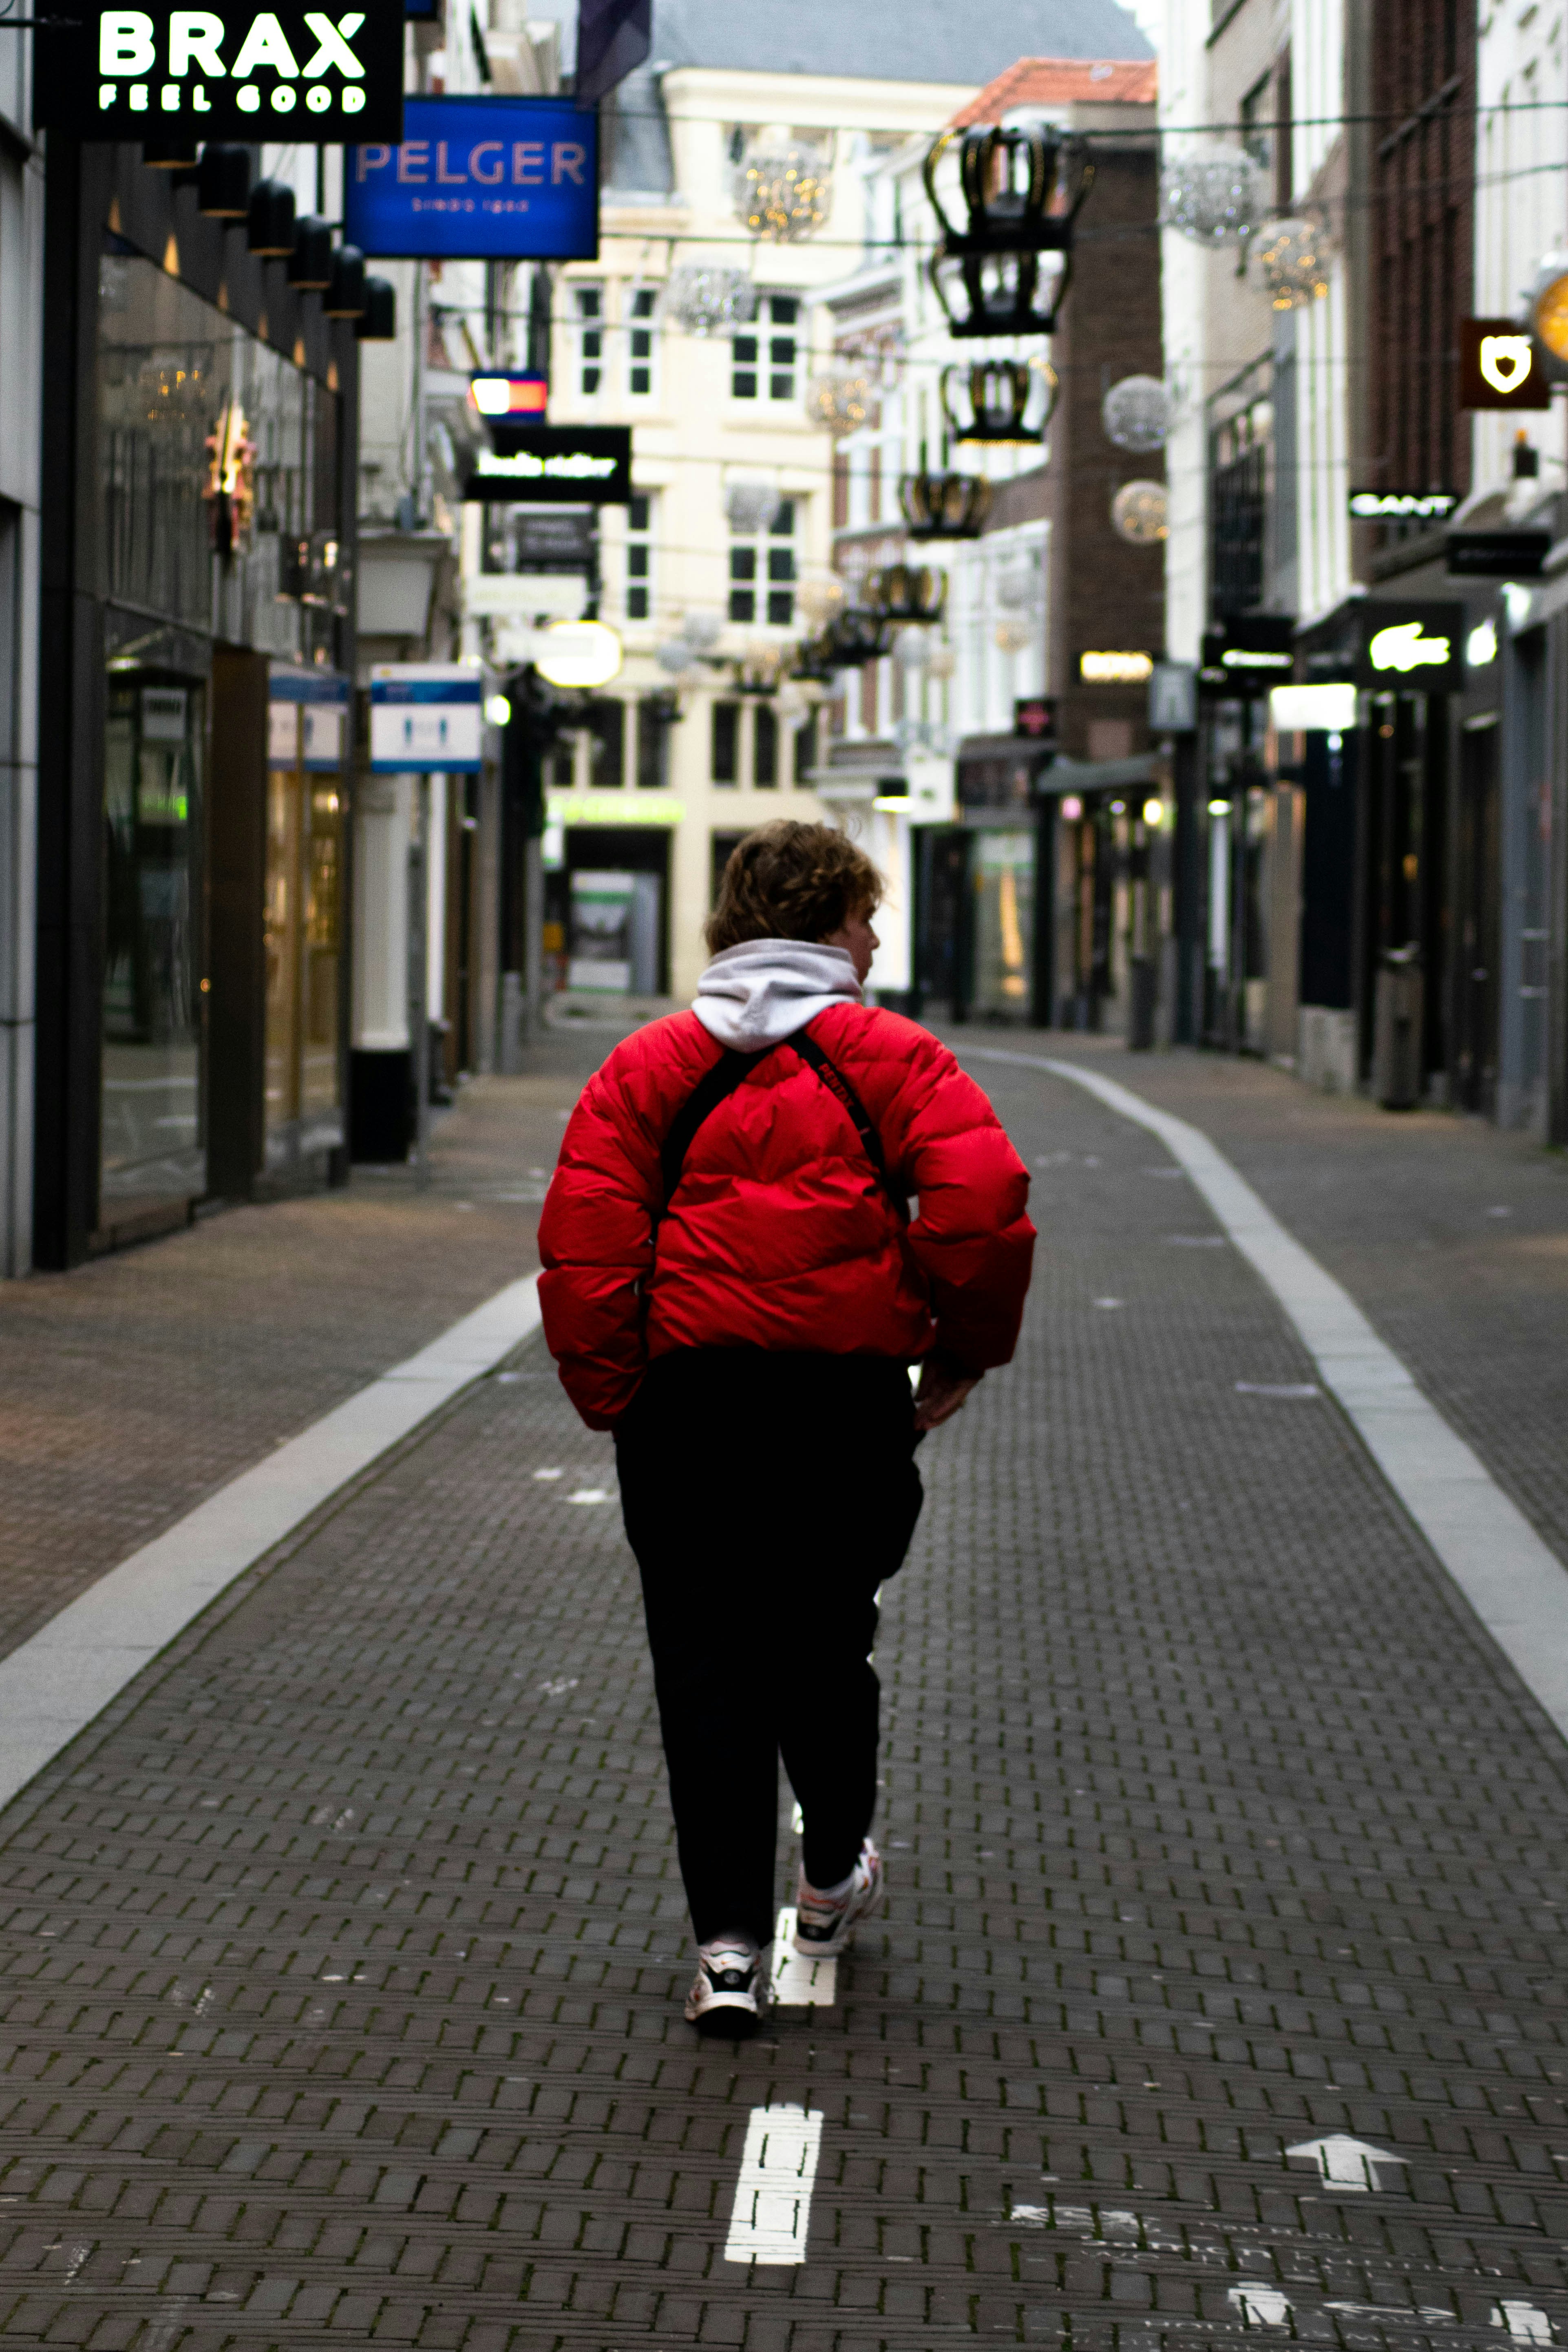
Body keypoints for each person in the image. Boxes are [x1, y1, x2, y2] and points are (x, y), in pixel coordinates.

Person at [538, 821, 1034, 2034]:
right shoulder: (896, 1058)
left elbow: (586, 1241)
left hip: (690, 1404)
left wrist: (618, 1396)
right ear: (826, 921)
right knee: (824, 1644)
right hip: (839, 1404)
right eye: (865, 917)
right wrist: (964, 1346)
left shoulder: (646, 1066)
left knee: (702, 1666)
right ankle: (827, 1878)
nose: (876, 938)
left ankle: (722, 1949)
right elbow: (983, 1204)